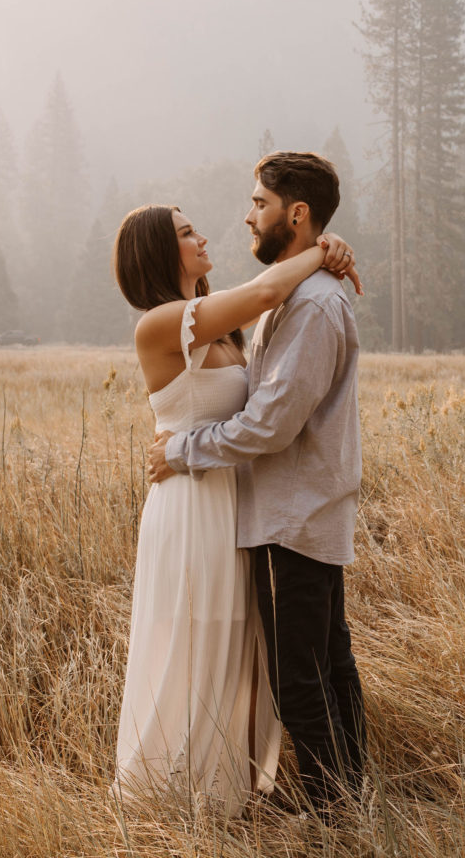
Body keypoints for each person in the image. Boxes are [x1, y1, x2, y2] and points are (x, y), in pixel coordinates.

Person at [111, 200, 360, 814]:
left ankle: (224, 785)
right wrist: (324, 247)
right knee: (189, 643)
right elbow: (266, 290)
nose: (201, 237)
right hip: (189, 505)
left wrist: (325, 250)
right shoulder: (162, 322)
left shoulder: (219, 331)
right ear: (156, 253)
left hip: (231, 502)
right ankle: (172, 792)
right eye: (185, 233)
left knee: (236, 644)